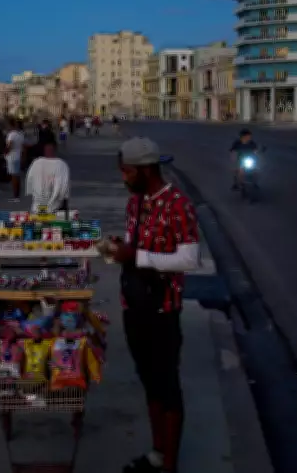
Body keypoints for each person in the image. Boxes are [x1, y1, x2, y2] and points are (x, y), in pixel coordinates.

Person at [111, 137, 200, 473]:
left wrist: (137, 256)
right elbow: (136, 246)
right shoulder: (135, 203)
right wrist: (122, 249)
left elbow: (189, 258)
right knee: (149, 382)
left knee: (168, 387)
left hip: (163, 311)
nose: (124, 178)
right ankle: (157, 452)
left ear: (146, 170)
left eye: (128, 171)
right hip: (134, 306)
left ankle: (170, 465)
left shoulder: (177, 204)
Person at [25, 137, 70, 213]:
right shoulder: (61, 164)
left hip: (38, 207)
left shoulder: (36, 163)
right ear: (55, 149)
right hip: (55, 207)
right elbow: (64, 187)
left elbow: (29, 182)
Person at [5, 119, 26, 202]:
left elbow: (9, 145)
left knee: (13, 177)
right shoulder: (20, 134)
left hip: (12, 157)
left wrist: (5, 153)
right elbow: (23, 147)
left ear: (11, 125)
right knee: (17, 176)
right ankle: (17, 195)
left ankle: (15, 197)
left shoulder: (11, 135)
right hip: (18, 156)